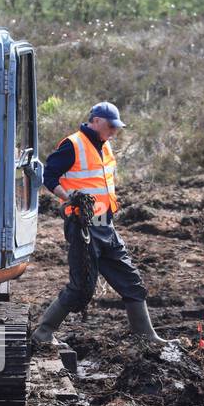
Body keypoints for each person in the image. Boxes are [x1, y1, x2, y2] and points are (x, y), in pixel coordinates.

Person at [32, 101, 167, 347]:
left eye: (117, 127)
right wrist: (68, 197)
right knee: (81, 288)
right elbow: (48, 175)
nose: (114, 131)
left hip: (106, 226)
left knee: (131, 281)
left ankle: (147, 337)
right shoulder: (73, 144)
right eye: (110, 126)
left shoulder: (105, 147)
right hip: (82, 226)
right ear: (95, 121)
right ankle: (43, 333)